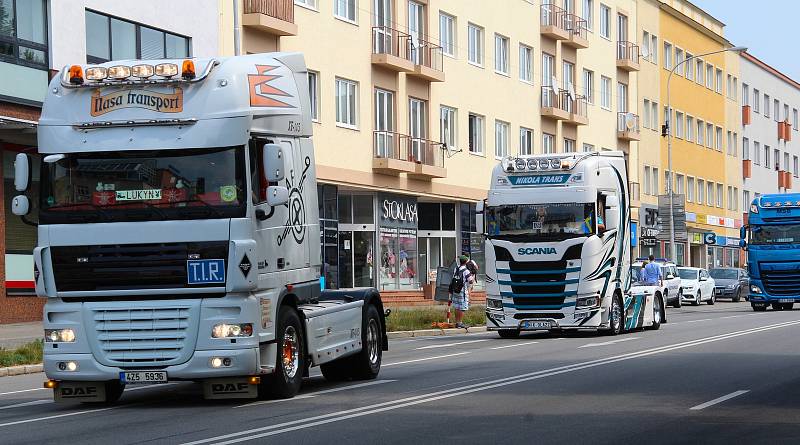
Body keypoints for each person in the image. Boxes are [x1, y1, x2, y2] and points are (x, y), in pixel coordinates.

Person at [449, 255, 474, 329]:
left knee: (457, 306)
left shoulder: (456, 269)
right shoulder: (466, 271)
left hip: (456, 290)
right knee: (462, 307)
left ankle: (457, 322)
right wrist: (472, 275)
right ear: (466, 262)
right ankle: (460, 323)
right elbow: (471, 281)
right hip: (462, 291)